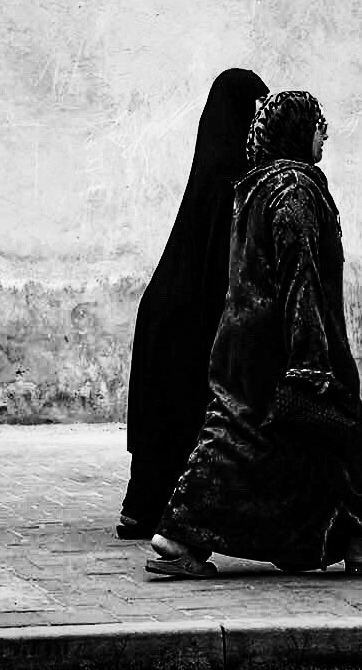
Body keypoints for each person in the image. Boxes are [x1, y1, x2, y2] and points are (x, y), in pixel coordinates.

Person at [145, 91, 362, 578]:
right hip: (284, 347)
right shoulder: (294, 189)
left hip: (246, 343)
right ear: (299, 131)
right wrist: (311, 362)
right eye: (319, 123)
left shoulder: (256, 186)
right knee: (331, 435)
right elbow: (300, 277)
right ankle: (177, 536)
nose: (326, 134)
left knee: (258, 440)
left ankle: (360, 543)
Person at [118, 68, 271, 539]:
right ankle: (187, 519)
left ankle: (143, 508)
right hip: (192, 319)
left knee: (169, 418)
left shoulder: (208, 170)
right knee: (202, 414)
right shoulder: (238, 183)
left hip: (165, 313)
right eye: (258, 113)